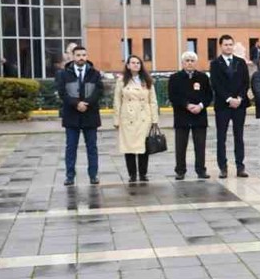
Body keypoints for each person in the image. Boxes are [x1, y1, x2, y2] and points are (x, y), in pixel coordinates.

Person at [56, 45, 102, 186]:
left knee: (92, 147)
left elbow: (98, 91)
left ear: (86, 56)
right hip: (71, 116)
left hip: (90, 115)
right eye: (78, 55)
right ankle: (70, 176)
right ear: (73, 57)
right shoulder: (64, 74)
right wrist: (76, 104)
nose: (81, 58)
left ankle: (93, 175)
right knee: (71, 147)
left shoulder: (95, 73)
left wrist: (86, 103)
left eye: (84, 55)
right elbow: (62, 92)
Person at [209, 35, 250, 179]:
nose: (228, 47)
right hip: (223, 105)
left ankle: (240, 167)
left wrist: (239, 98)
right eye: (226, 44)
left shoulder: (240, 62)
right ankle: (223, 168)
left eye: (230, 44)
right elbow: (215, 84)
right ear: (221, 46)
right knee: (221, 137)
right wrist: (228, 99)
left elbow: (246, 82)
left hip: (239, 105)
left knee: (239, 136)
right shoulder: (215, 63)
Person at [113, 55, 159, 183]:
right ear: (127, 65)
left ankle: (143, 173)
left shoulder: (147, 80)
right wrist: (116, 120)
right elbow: (117, 101)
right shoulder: (121, 81)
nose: (135, 65)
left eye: (138, 63)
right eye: (132, 63)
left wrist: (155, 119)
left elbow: (153, 101)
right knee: (129, 147)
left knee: (143, 147)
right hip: (127, 117)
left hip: (144, 117)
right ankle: (132, 174)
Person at [168, 52, 211, 180]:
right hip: (182, 116)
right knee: (180, 146)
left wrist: (201, 106)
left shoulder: (203, 77)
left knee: (200, 146)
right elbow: (173, 96)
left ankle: (201, 170)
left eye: (192, 60)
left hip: (199, 116)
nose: (190, 63)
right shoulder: (175, 77)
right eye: (187, 60)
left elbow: (209, 95)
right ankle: (180, 170)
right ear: (182, 62)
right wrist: (186, 105)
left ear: (195, 62)